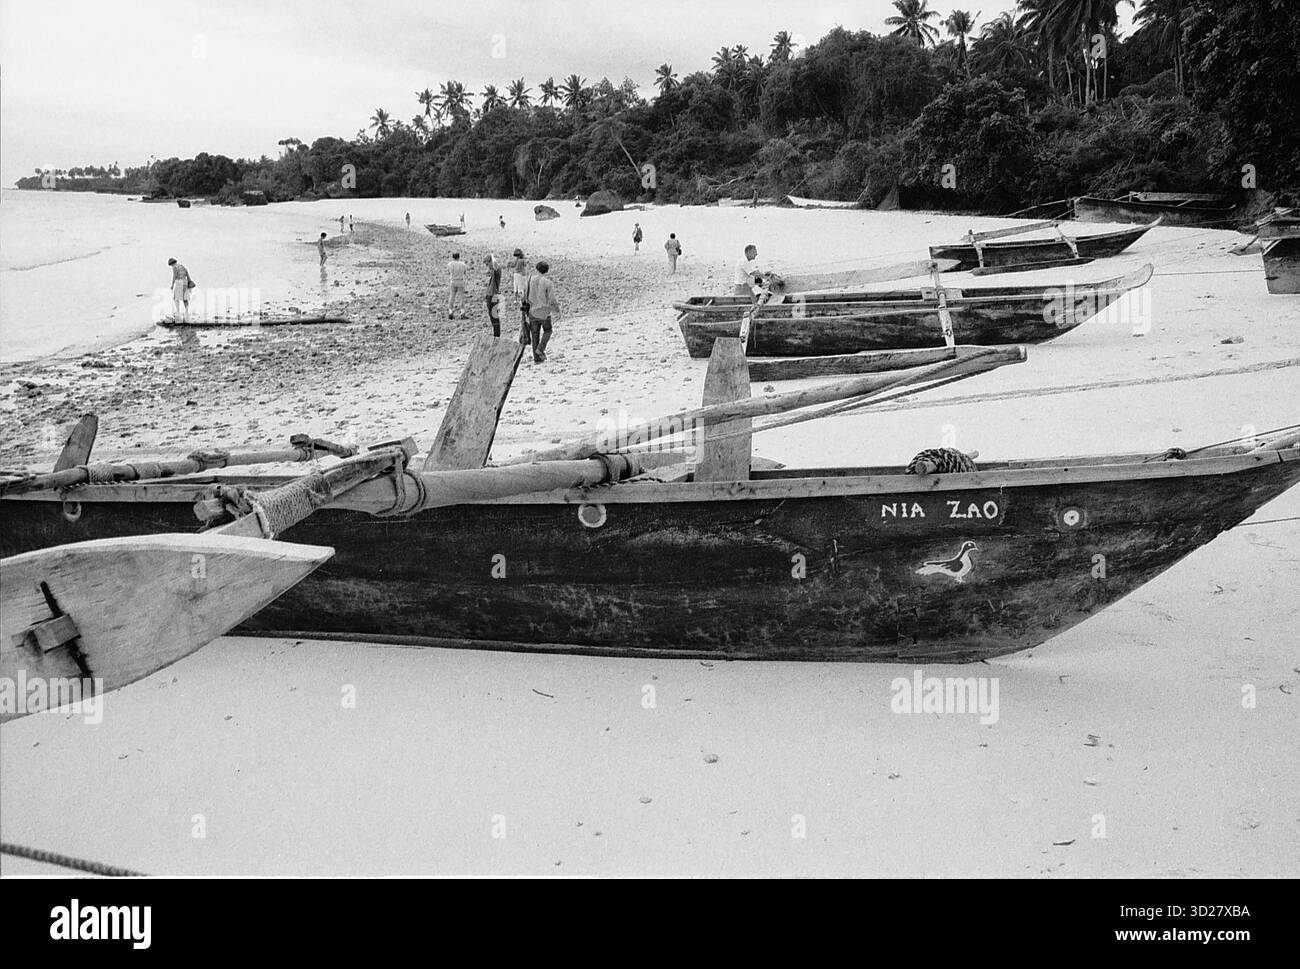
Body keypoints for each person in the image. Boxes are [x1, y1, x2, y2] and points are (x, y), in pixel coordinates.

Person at [519, 260, 559, 363]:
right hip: (545, 313)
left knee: (534, 334)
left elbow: (523, 296)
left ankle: (536, 358)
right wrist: (557, 310)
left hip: (532, 311)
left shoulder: (529, 280)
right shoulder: (547, 282)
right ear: (546, 271)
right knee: (548, 330)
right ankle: (540, 349)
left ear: (537, 269)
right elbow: (552, 299)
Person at [167, 257, 195, 322]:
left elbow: (174, 276)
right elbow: (187, 274)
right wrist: (189, 281)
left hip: (179, 282)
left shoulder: (175, 267)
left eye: (171, 265)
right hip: (185, 282)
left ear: (171, 264)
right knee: (185, 299)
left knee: (176, 298)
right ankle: (186, 314)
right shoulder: (182, 266)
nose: (171, 266)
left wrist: (172, 284)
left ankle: (178, 313)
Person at [483, 254, 503, 338]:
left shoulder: (496, 270)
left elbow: (495, 266)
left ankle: (497, 335)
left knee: (494, 316)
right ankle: (496, 334)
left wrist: (492, 257)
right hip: (491, 295)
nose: (487, 266)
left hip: (493, 295)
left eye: (487, 264)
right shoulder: (493, 272)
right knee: (492, 316)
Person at [447, 252, 469, 319]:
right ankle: (462, 312)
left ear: (453, 257)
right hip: (460, 281)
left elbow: (448, 272)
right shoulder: (463, 264)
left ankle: (450, 311)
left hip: (453, 281)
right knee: (461, 297)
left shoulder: (450, 264)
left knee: (452, 296)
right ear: (459, 257)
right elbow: (465, 273)